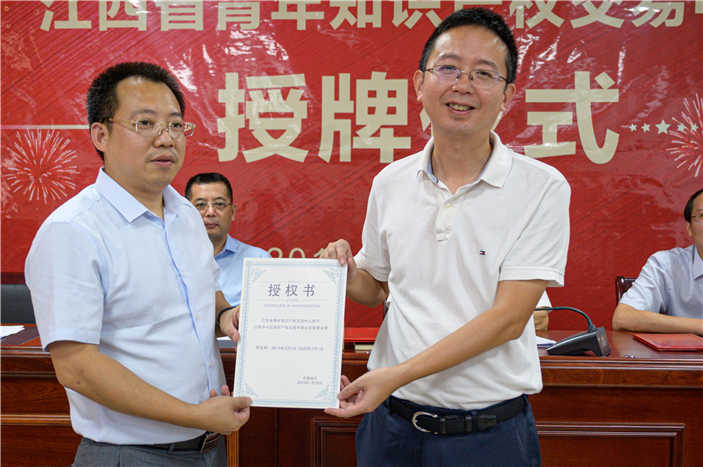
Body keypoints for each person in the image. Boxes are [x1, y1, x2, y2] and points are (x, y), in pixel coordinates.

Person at [321, 8, 570, 466]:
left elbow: (508, 319)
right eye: (449, 68)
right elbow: (377, 288)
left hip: (487, 435)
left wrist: (396, 374)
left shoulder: (542, 187)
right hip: (391, 428)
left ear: (507, 95)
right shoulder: (391, 182)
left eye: (484, 74)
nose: (463, 85)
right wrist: (346, 271)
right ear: (419, 84)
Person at [25, 62, 250, 467]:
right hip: (129, 454)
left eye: (176, 125)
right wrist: (193, 416)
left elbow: (205, 296)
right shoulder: (73, 231)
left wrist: (225, 316)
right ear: (101, 134)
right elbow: (77, 367)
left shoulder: (185, 215)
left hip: (209, 446)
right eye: (145, 123)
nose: (166, 138)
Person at [612, 188, 703, 335]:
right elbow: (623, 318)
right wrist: (699, 326)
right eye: (702, 215)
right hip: (682, 351)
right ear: (689, 228)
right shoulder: (666, 264)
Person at [185, 172, 270, 307]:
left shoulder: (259, 260)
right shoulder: (171, 257)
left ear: (233, 212)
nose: (210, 212)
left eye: (219, 204)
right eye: (201, 205)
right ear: (186, 212)